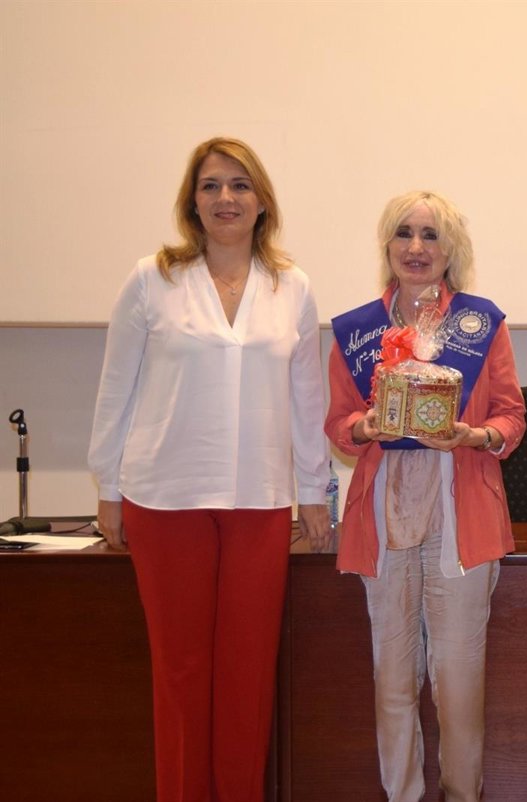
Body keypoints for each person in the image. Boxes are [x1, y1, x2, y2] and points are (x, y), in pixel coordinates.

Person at [88, 136, 330, 801]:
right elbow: (115, 389)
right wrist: (109, 487)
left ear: (262, 202)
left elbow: (307, 399)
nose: (226, 198)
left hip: (260, 502)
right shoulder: (152, 279)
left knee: (248, 674)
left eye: (240, 185)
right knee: (182, 673)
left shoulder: (292, 287)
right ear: (192, 202)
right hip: (165, 501)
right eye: (211, 186)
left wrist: (314, 491)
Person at [325, 190, 526, 802]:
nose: (416, 247)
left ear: (451, 249)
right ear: (387, 245)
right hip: (383, 514)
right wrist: (365, 427)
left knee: (458, 683)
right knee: (393, 682)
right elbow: (338, 422)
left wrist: (474, 435)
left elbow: (512, 416)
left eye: (431, 235)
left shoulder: (482, 323)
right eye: (404, 233)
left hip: (460, 513)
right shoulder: (357, 330)